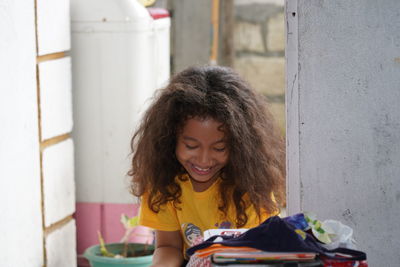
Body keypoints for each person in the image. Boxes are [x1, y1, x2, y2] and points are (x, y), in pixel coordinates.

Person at [128, 65, 285, 267]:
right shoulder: (164, 181)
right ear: (169, 139)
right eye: (191, 146)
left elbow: (266, 250)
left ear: (239, 146)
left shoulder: (251, 184)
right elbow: (168, 247)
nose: (203, 160)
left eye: (219, 148)